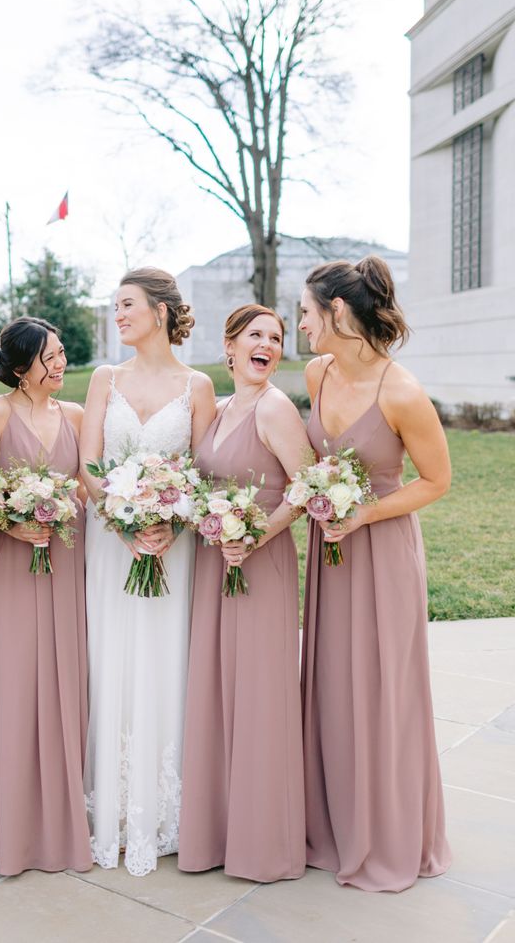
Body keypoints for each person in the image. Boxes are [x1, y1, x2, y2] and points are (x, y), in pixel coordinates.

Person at [298, 256, 452, 892]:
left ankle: (388, 834)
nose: (299, 324)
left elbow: (437, 480)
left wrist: (365, 513)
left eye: (306, 312)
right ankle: (333, 824)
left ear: (337, 312)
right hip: (330, 551)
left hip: (382, 549)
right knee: (333, 679)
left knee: (383, 686)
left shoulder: (402, 392)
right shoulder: (316, 372)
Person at [80, 267, 216, 876]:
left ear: (161, 311)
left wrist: (171, 523)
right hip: (112, 547)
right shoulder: (104, 379)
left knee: (164, 660)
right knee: (110, 658)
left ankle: (165, 811)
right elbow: (87, 464)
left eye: (127, 304)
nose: (119, 314)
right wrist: (121, 517)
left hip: (172, 546)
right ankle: (107, 807)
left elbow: (207, 474)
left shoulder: (199, 386)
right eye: (115, 306)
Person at [178, 304, 307, 883]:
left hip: (259, 564)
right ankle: (216, 832)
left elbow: (306, 489)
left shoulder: (276, 409)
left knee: (258, 694)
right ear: (229, 346)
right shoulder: (225, 408)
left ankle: (264, 844)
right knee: (218, 691)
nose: (268, 345)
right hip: (215, 563)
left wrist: (256, 535)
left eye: (276, 338)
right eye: (256, 335)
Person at [0, 317, 91, 875]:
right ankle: (12, 824)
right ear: (21, 369)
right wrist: (12, 523)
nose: (61, 364)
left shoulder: (75, 416)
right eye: (50, 358)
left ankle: (64, 815)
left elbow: (93, 485)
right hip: (14, 564)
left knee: (67, 678)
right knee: (17, 680)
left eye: (63, 354)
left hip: (67, 561)